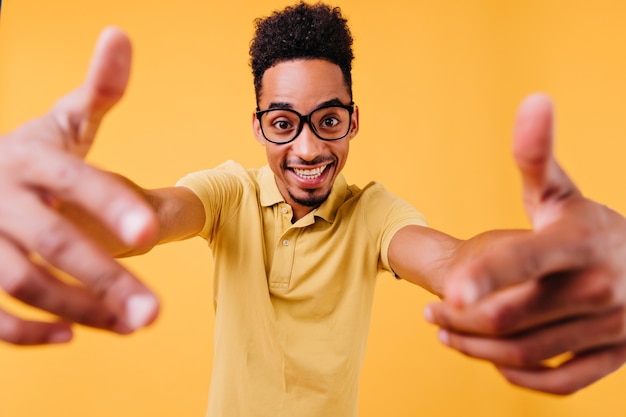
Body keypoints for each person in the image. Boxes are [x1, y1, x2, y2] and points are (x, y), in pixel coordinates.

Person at [1, 1, 626, 416]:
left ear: (353, 120)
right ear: (258, 126)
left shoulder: (373, 213)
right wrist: (48, 198)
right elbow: (150, 213)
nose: (308, 147)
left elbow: (453, 258)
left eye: (328, 120)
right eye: (283, 123)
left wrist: (550, 263)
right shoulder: (228, 194)